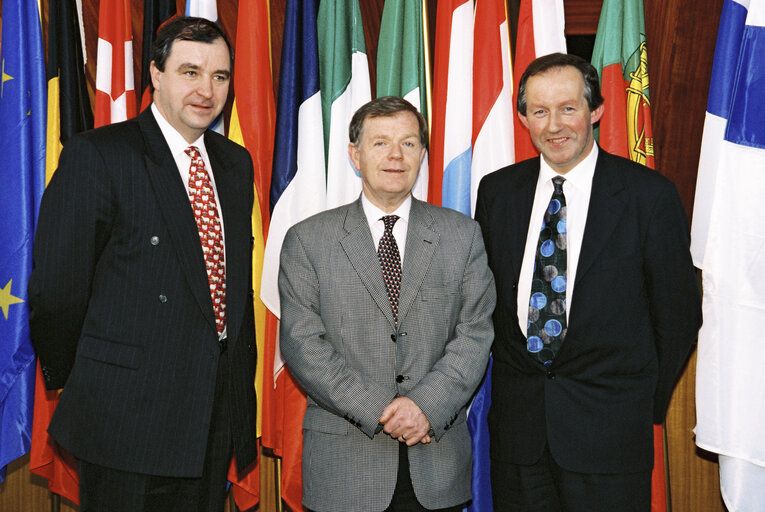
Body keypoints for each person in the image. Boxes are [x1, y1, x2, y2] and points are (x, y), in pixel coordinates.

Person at [28, 17, 257, 512]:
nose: (206, 89)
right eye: (190, 72)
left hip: (214, 415)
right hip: (126, 417)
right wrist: (98, 377)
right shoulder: (100, 155)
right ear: (156, 74)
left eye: (219, 76)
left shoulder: (236, 165)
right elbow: (56, 289)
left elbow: (231, 292)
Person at [475, 53, 702, 511]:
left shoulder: (648, 196)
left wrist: (637, 404)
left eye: (568, 108)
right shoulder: (497, 192)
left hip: (611, 438)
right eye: (539, 111)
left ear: (595, 111)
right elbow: (487, 306)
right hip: (520, 442)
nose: (554, 125)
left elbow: (677, 317)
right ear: (523, 118)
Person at [278, 96, 496, 512]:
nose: (396, 155)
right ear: (354, 155)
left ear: (423, 155)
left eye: (409, 143)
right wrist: (383, 411)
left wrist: (425, 408)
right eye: (380, 143)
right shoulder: (308, 240)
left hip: (436, 467)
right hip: (344, 469)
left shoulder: (462, 236)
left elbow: (475, 334)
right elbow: (303, 346)